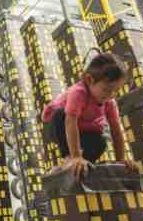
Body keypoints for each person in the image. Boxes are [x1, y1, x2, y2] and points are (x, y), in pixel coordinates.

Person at [42, 51, 138, 181]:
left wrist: (120, 160)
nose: (110, 95)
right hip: (57, 126)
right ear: (89, 80)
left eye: (115, 91)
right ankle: (70, 159)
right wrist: (75, 156)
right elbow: (70, 122)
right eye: (106, 89)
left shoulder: (109, 101)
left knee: (100, 142)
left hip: (82, 130)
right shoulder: (78, 92)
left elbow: (116, 131)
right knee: (60, 115)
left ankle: (74, 166)